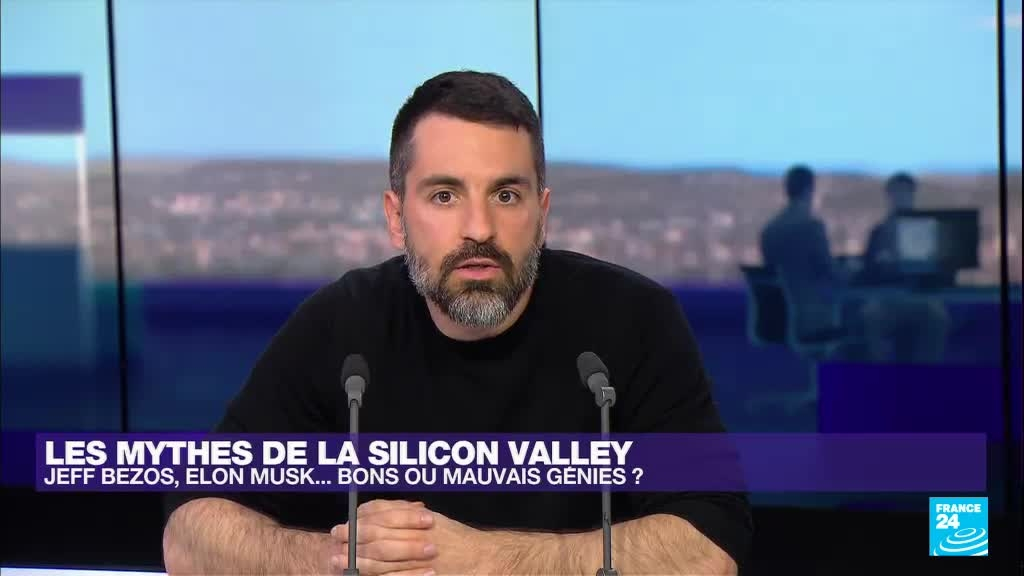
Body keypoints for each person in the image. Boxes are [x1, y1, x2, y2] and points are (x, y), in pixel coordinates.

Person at [162, 70, 752, 575]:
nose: (479, 229)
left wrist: (490, 561)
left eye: (506, 195)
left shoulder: (631, 320)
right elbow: (188, 533)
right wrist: (332, 559)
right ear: (397, 217)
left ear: (542, 212)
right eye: (445, 195)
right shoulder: (341, 329)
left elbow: (711, 547)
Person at [859, 173, 950, 363]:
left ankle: (925, 375)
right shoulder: (878, 232)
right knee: (870, 316)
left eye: (905, 192)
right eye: (896, 193)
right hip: (886, 300)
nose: (900, 197)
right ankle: (881, 374)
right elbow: (868, 271)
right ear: (889, 196)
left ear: (912, 195)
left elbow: (942, 270)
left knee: (938, 318)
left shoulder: (928, 230)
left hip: (921, 299)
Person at [759, 165, 844, 343]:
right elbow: (829, 272)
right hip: (812, 320)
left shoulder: (769, 230)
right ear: (809, 191)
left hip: (777, 318)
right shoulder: (811, 226)